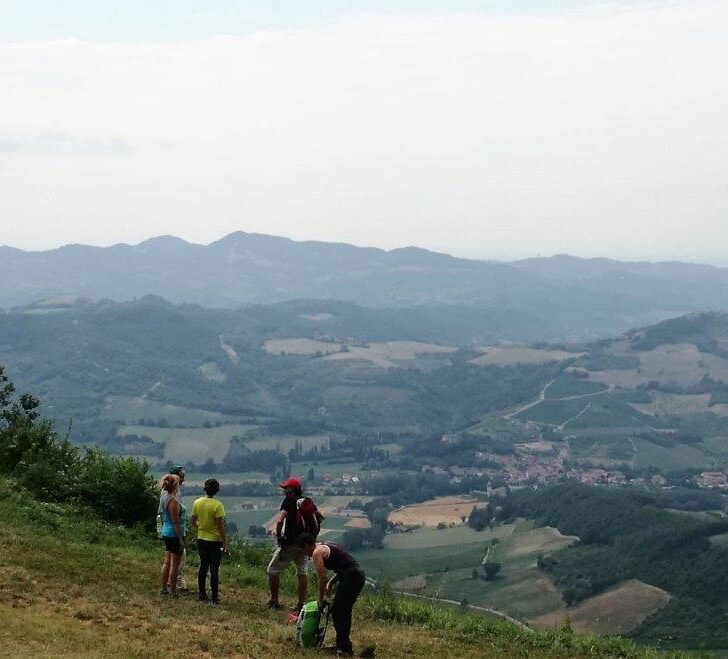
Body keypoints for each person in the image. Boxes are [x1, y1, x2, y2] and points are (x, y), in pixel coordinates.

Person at [298, 533, 366, 657]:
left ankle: (344, 648)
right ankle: (342, 645)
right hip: (353, 574)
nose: (303, 553)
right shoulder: (323, 547)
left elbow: (322, 578)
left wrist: (320, 598)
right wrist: (331, 582)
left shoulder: (316, 553)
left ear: (307, 545)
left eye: (303, 549)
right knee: (341, 610)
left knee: (340, 610)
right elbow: (343, 565)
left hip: (351, 576)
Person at [267, 477, 309, 612]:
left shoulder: (288, 501)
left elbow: (280, 521)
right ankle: (300, 604)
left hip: (290, 543)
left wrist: (279, 536)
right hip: (304, 544)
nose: (284, 491)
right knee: (302, 572)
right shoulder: (306, 502)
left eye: (285, 489)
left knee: (272, 570)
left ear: (290, 490)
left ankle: (274, 600)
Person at [190, 478, 228, 604]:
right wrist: (224, 541)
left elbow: (192, 521)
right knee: (214, 569)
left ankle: (202, 594)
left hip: (201, 538)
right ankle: (214, 596)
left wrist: (201, 527)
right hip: (215, 540)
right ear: (216, 490)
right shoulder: (218, 505)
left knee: (203, 566)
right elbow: (220, 525)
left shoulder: (197, 502)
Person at [159, 473, 185, 596]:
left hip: (165, 531)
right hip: (173, 534)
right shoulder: (173, 501)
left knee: (167, 561)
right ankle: (173, 590)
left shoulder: (164, 497)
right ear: (175, 486)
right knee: (175, 564)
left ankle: (163, 588)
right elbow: (175, 521)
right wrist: (181, 538)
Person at [169, 465, 190, 593]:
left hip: (172, 529)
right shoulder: (175, 494)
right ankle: (178, 584)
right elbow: (175, 517)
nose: (183, 480)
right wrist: (180, 536)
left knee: (174, 558)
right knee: (180, 558)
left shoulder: (171, 491)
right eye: (182, 477)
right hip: (176, 531)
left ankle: (174, 582)